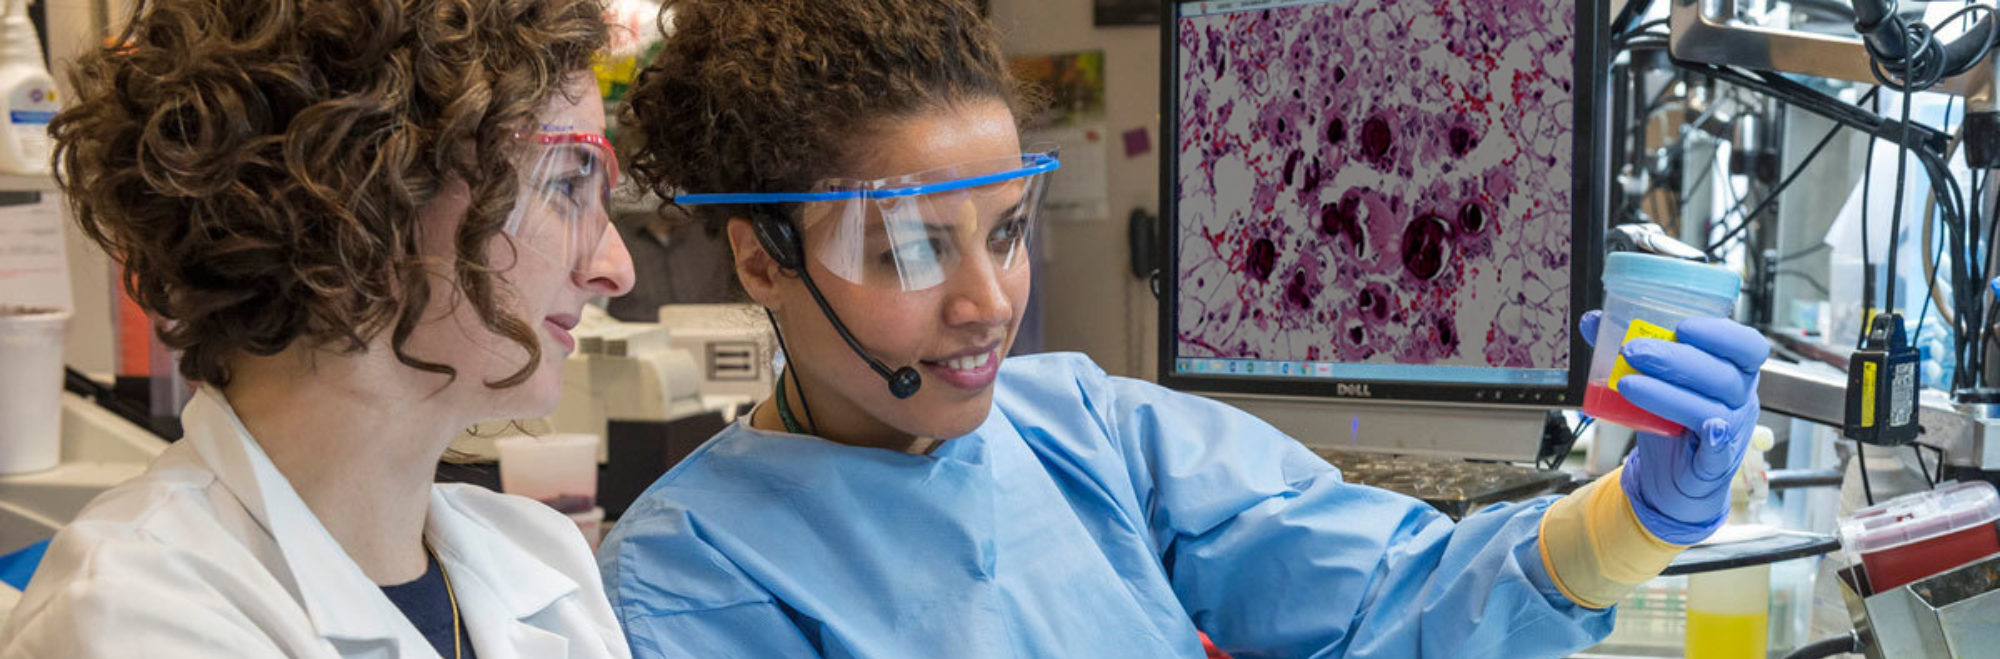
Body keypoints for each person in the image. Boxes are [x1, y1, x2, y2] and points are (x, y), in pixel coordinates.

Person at [599, 1, 1770, 657]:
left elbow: (1389, 590)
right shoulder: (695, 570)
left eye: (1003, 231)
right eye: (910, 247)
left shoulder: (1084, 429)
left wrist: (1634, 515)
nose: (985, 303)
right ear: (763, 254)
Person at [0, 1, 637, 657]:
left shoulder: (543, 558)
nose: (616, 269)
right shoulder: (133, 613)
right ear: (365, 195)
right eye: (566, 185)